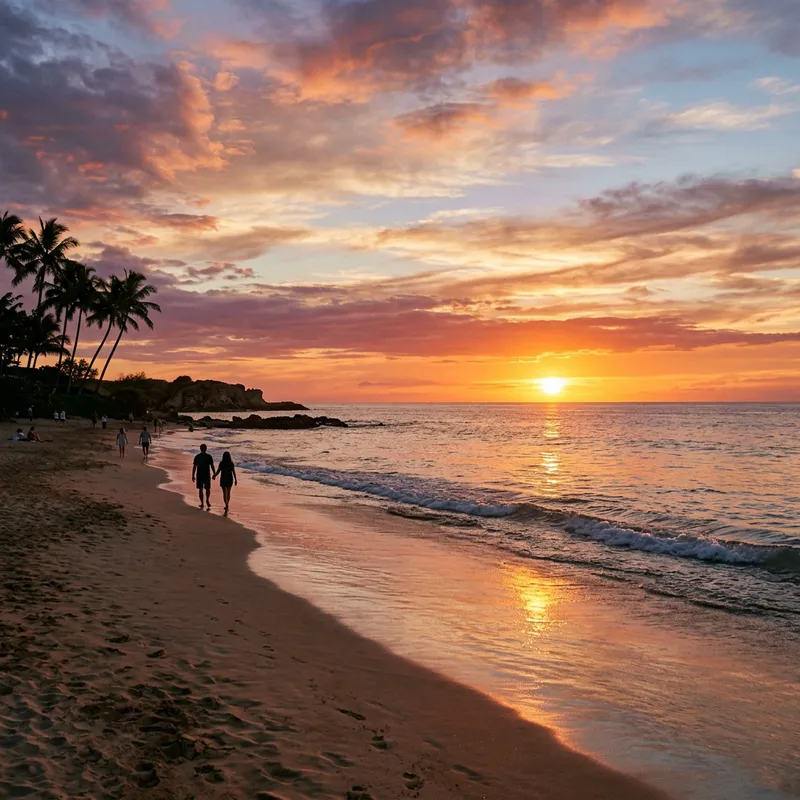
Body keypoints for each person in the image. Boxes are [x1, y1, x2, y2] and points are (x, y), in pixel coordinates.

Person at [192, 444, 215, 510]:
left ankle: (202, 503)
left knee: (201, 489)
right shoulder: (209, 456)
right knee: (207, 489)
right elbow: (212, 466)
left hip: (199, 475)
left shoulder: (197, 457)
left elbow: (194, 467)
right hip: (206, 474)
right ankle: (207, 500)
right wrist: (214, 473)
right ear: (206, 449)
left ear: (200, 449)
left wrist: (193, 475)